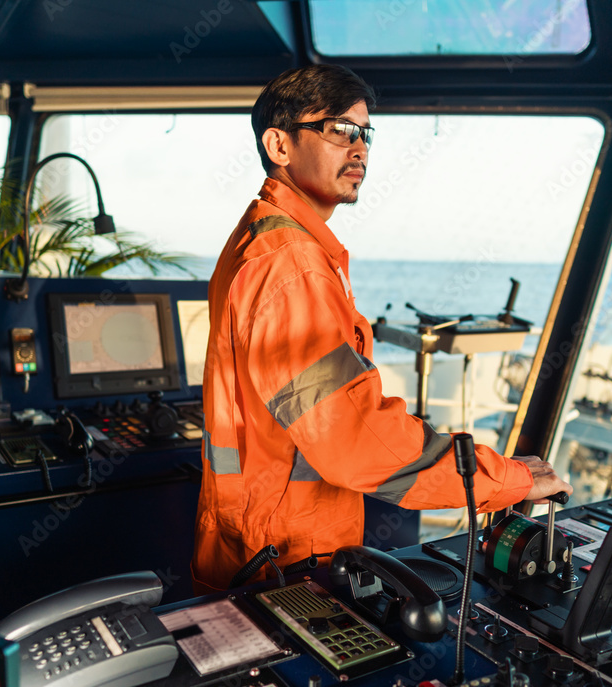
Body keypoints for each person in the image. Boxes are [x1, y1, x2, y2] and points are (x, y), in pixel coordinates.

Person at [191, 64, 572, 593]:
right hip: (286, 567)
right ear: (279, 146)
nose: (360, 149)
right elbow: (354, 439)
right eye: (337, 129)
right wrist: (510, 478)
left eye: (365, 133)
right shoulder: (292, 266)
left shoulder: (270, 242)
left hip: (258, 545)